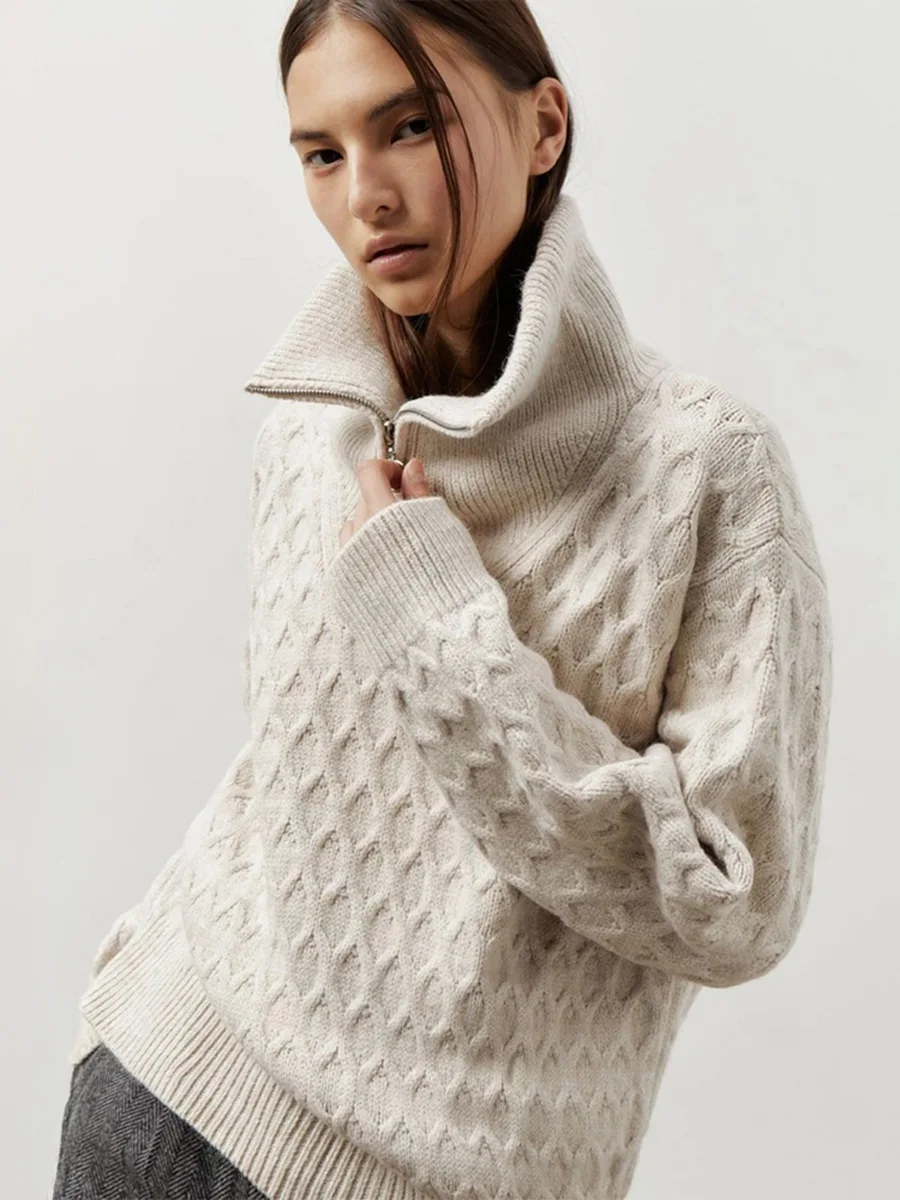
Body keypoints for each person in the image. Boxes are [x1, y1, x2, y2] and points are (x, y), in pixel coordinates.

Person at [52, 2, 834, 1199]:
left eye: (409, 126)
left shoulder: (706, 473)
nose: (365, 195)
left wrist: (435, 624)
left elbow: (737, 905)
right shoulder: (312, 428)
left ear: (544, 124)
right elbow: (297, 790)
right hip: (162, 1088)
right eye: (321, 153)